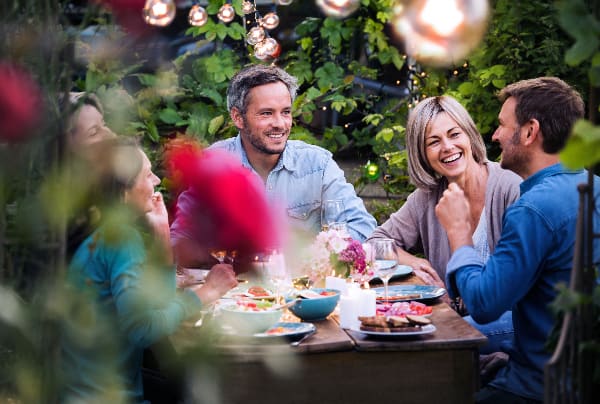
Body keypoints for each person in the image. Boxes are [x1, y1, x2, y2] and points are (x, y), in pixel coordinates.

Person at [435, 77, 599, 402]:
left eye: (501, 125)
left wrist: (458, 233)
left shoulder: (534, 209)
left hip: (539, 388)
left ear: (529, 131)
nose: (494, 135)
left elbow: (484, 304)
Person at [61, 137, 238, 403]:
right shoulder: (120, 240)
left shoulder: (99, 234)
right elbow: (143, 328)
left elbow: (155, 306)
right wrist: (205, 293)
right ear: (123, 192)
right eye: (147, 174)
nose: (156, 180)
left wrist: (162, 233)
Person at [171, 64, 377, 268]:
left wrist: (315, 255)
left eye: (285, 112)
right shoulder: (213, 165)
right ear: (237, 117)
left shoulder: (317, 164)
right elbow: (181, 237)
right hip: (234, 293)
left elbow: (362, 227)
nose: (280, 123)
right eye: (266, 113)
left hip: (305, 291)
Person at [367, 95, 521, 353]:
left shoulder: (510, 188)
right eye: (434, 142)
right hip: (454, 321)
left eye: (454, 134)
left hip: (510, 320)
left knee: (433, 341)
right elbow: (374, 244)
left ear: (469, 134)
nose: (447, 147)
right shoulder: (426, 198)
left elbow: (519, 286)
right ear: (422, 154)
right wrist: (412, 262)